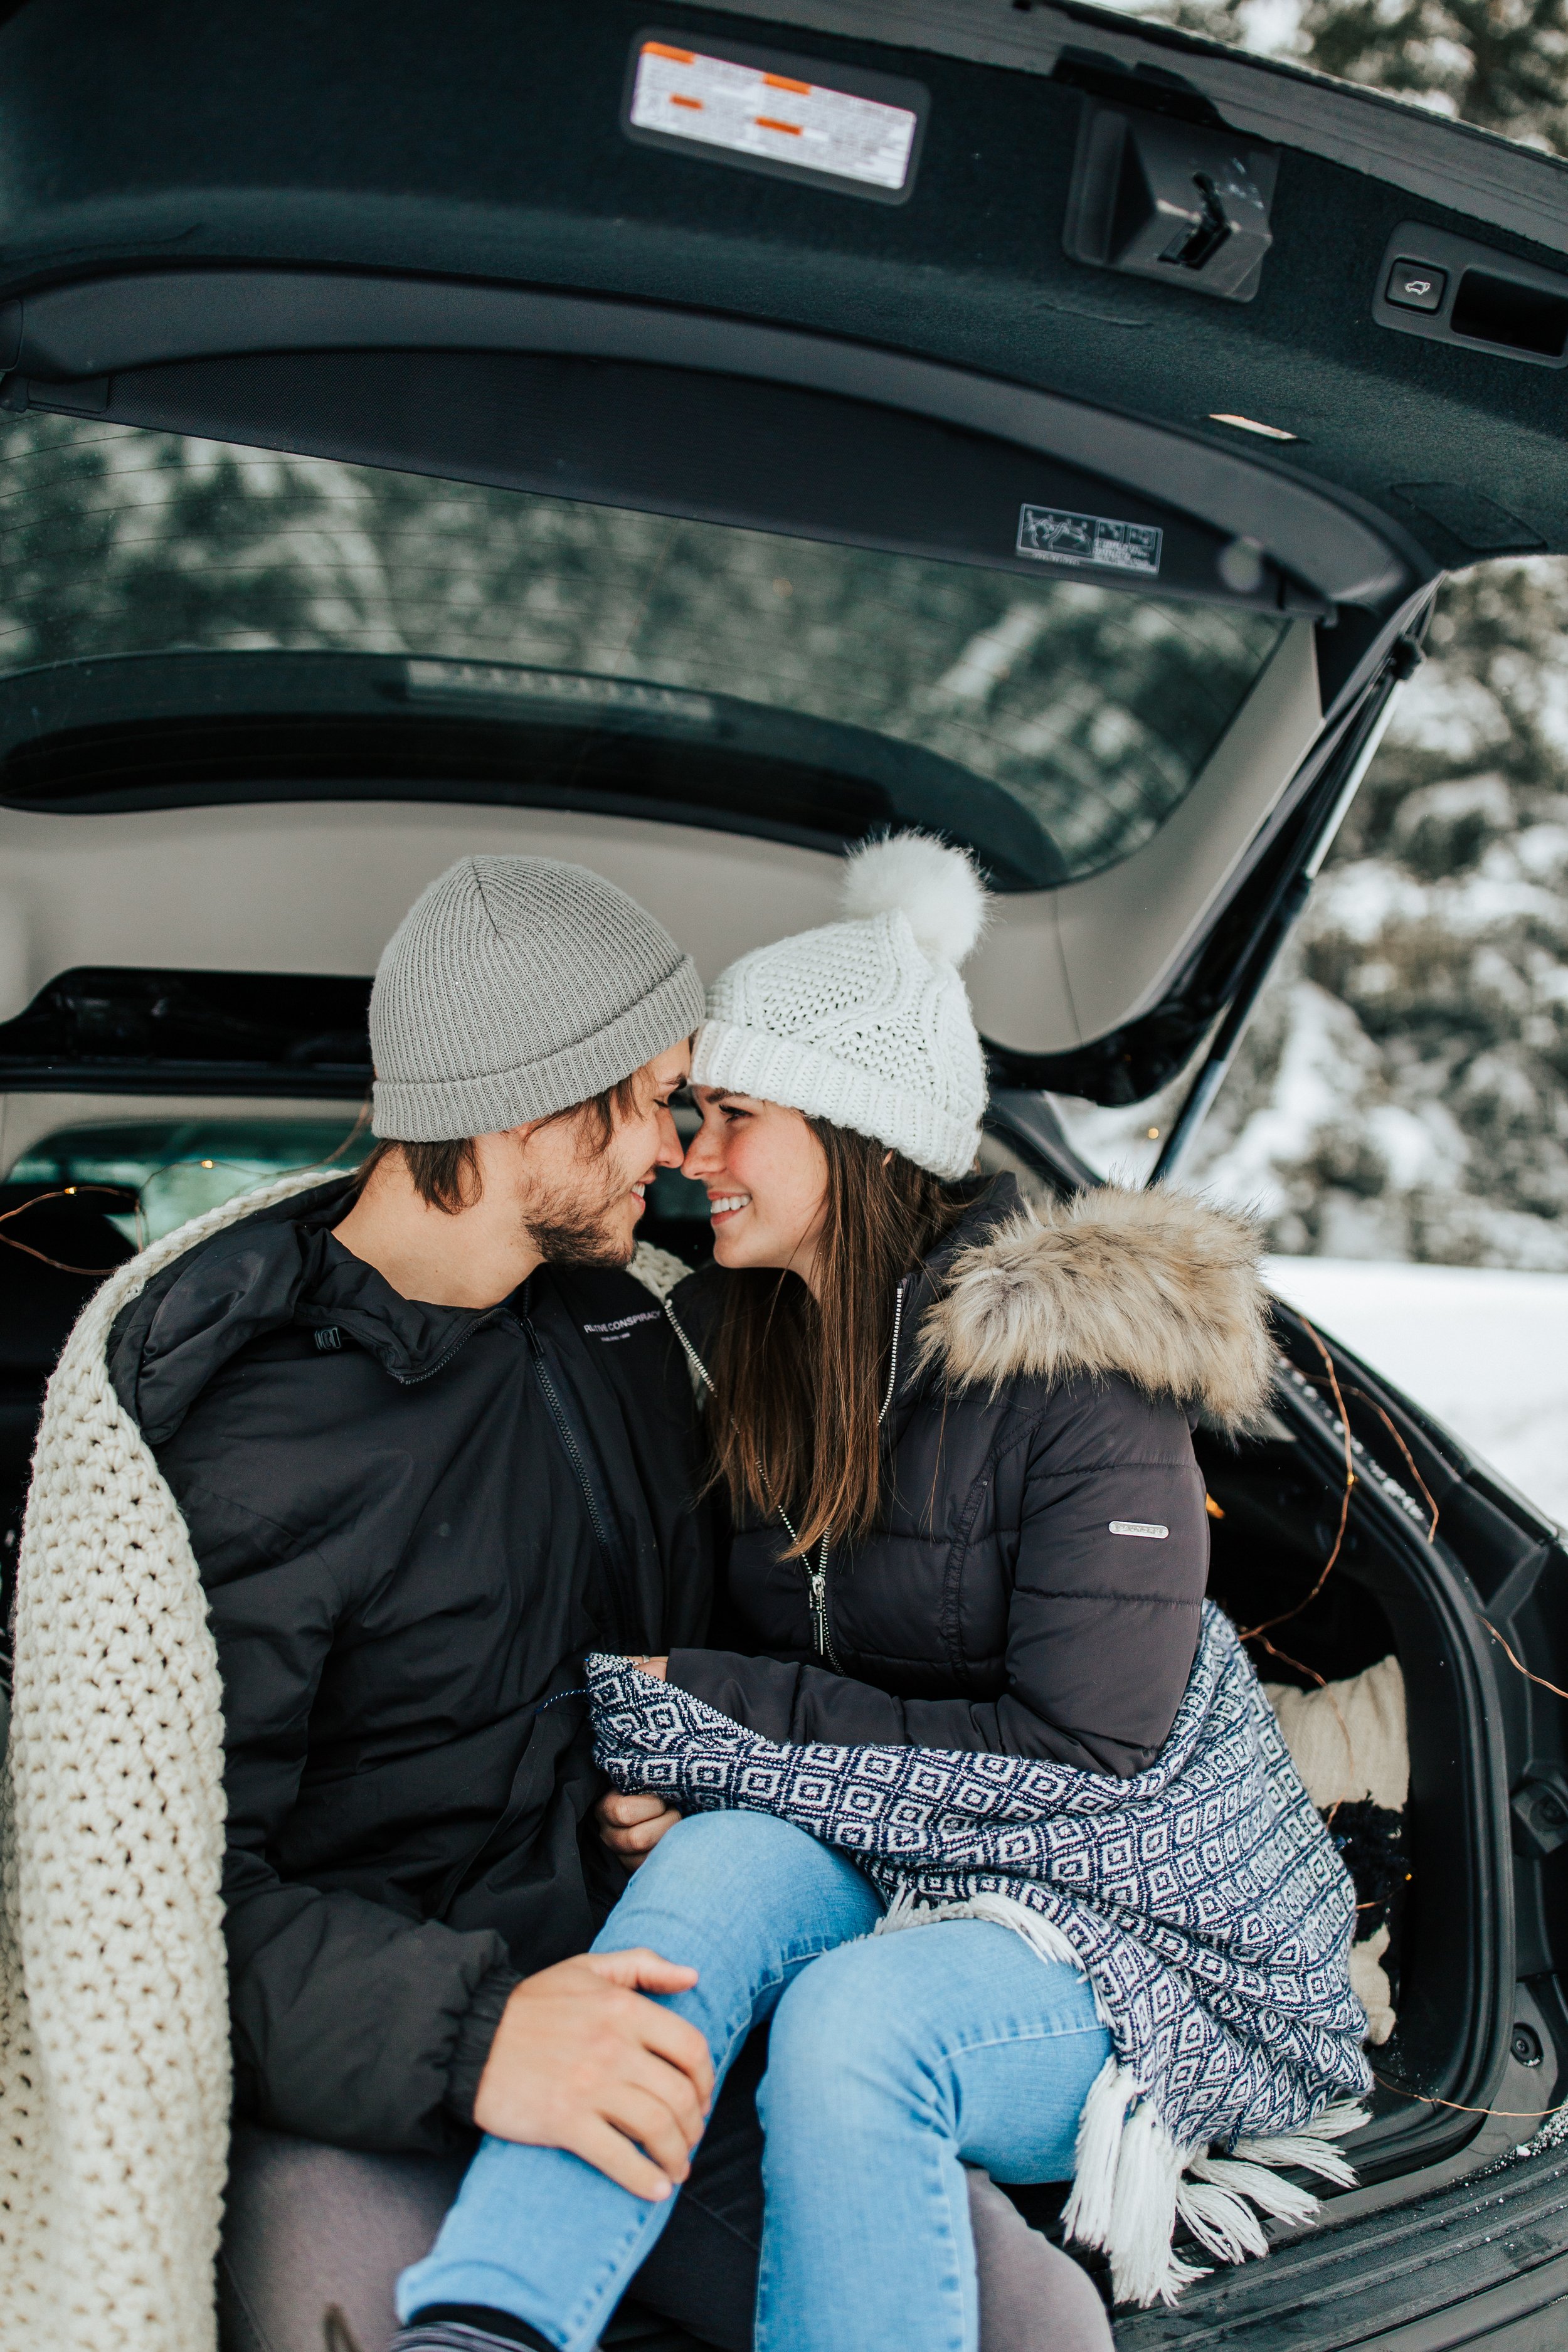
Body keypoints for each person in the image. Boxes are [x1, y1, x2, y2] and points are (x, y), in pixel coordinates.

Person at [88, 851, 1073, 2352]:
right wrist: (480, 2036)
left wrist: (701, 1791)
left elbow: (739, 1634)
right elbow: (157, 1911)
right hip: (382, 2074)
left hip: (658, 2007)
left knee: (1027, 2325)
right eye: (656, 1101)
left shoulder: (623, 1325)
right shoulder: (254, 1446)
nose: (675, 1153)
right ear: (527, 1107)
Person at [391, 835, 1285, 2352]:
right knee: (698, 1894)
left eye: (733, 1114)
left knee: (849, 2030)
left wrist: (724, 1728)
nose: (687, 1152)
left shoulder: (1083, 1377)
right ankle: (487, 2319)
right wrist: (706, 1787)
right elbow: (766, 1664)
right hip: (886, 1846)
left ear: (857, 1131)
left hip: (1109, 1916)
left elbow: (1088, 1758)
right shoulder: (767, 1343)